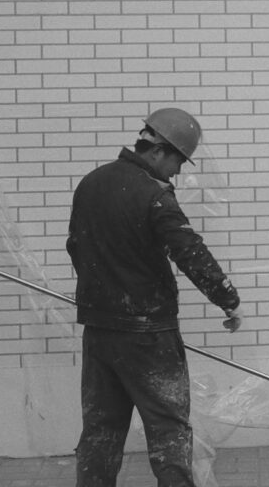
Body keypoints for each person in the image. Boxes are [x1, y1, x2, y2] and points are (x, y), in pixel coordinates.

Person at [67, 107, 242, 487]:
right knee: (169, 431)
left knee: (101, 430)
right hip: (149, 337)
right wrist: (226, 297)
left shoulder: (90, 184)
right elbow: (189, 250)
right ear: (159, 150)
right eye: (178, 160)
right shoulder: (154, 195)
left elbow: (75, 248)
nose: (178, 171)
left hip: (99, 330)